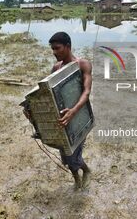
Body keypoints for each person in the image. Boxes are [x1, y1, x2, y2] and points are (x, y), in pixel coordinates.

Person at [23, 32, 92, 190]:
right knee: (65, 154)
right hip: (61, 117)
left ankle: (86, 171)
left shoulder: (83, 65)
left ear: (68, 46)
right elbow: (49, 93)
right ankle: (77, 178)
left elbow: (86, 92)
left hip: (78, 116)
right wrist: (32, 112)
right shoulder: (56, 67)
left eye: (57, 48)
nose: (54, 52)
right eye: (52, 49)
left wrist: (73, 111)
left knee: (73, 154)